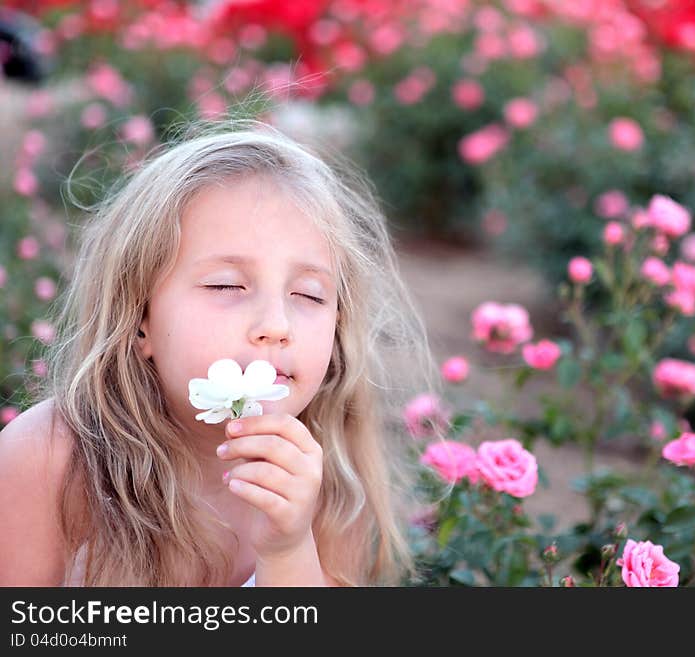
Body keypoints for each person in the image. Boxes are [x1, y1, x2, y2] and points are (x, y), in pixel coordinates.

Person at [0, 119, 443, 586]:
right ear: (140, 318)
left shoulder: (326, 477)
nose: (276, 325)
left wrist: (288, 551)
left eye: (310, 295)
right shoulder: (50, 458)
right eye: (227, 285)